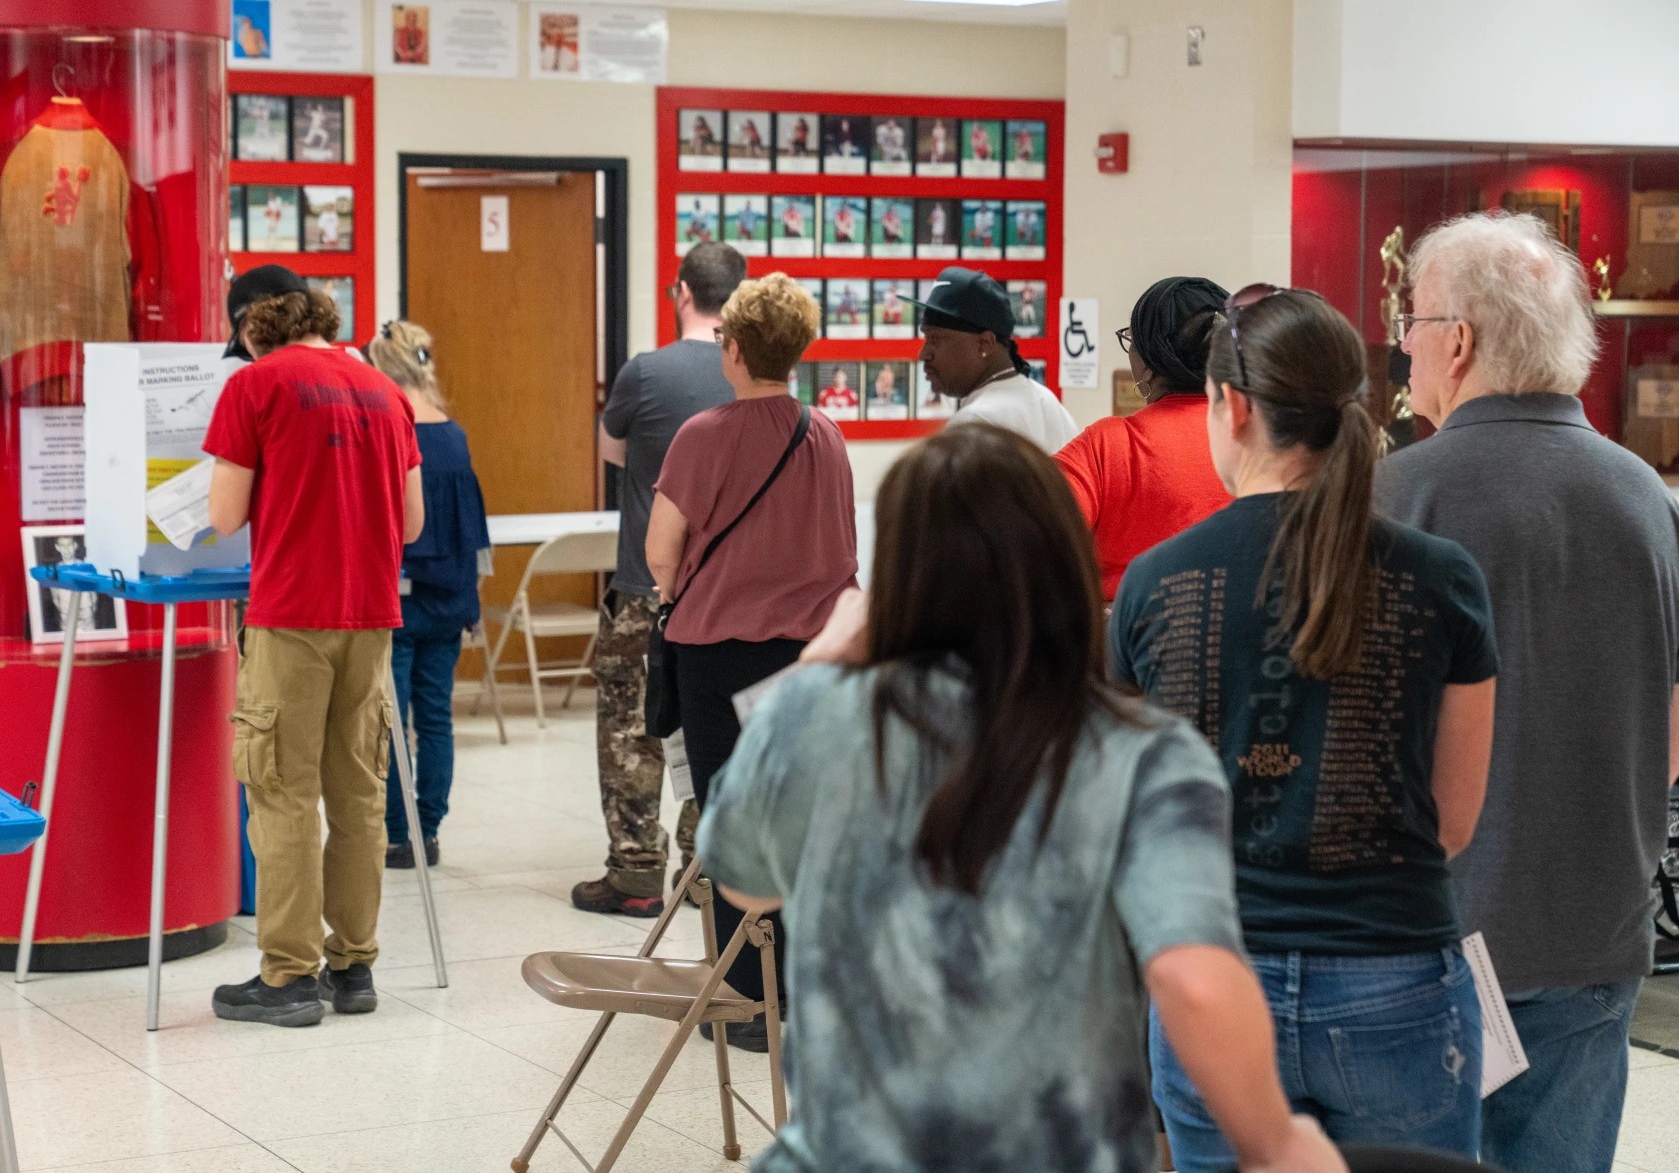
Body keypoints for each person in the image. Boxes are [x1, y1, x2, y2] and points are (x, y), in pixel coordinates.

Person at [696, 423, 1345, 1173]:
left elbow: (743, 883)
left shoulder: (814, 711)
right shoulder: (1147, 754)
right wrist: (1274, 1144)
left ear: (896, 574)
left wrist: (816, 662)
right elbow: (1194, 977)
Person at [1110, 285, 1499, 1168]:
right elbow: (1453, 820)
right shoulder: (1442, 577)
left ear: (1232, 406)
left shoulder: (1152, 582)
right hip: (1395, 974)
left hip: (1216, 980)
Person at [1375, 211, 1679, 1173]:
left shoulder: (1395, 496)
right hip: (1597, 925)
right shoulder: (1648, 499)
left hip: (1428, 932)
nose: (1404, 350)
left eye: (1411, 325)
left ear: (1458, 341)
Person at [646, 274, 857, 1051]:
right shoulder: (824, 433)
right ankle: (797, 985)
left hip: (718, 657)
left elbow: (660, 553)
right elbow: (841, 548)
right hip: (806, 654)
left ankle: (746, 998)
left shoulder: (703, 434)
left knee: (732, 816)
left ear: (731, 348)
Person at [205, 281, 424, 1027]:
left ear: (257, 334)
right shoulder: (386, 392)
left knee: (282, 792)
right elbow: (414, 520)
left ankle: (289, 977)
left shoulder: (255, 385)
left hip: (290, 614)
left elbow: (225, 513)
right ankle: (353, 965)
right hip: (370, 617)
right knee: (359, 792)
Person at [572, 243, 747, 917]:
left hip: (644, 581)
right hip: (720, 590)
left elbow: (614, 453)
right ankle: (702, 867)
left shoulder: (644, 372)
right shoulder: (751, 376)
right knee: (705, 724)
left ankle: (635, 870)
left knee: (629, 729)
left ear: (681, 292)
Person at [365, 320, 488, 872]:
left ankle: (399, 835)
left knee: (393, 719)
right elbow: (472, 532)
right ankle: (429, 830)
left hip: (396, 600)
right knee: (436, 716)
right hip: (447, 602)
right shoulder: (455, 434)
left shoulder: (387, 427)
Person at [1055, 276, 1233, 600]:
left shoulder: (1108, 447)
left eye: (1131, 342)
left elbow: (1030, 533)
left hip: (1131, 643)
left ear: (1149, 365)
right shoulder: (1263, 442)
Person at [907, 267, 1076, 452]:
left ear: (985, 344)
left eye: (935, 339)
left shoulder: (974, 423)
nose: (924, 354)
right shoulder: (1046, 402)